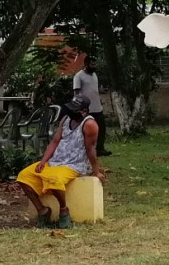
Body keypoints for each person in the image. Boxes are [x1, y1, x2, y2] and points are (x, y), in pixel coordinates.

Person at [17, 95, 104, 229]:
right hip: (55, 161)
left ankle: (63, 210)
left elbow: (90, 149)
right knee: (24, 176)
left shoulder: (89, 124)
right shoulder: (65, 119)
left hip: (73, 164)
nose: (71, 112)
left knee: (54, 179)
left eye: (75, 110)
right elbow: (55, 141)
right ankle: (42, 210)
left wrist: (96, 171)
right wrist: (43, 161)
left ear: (84, 111)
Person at [73, 55, 111, 156]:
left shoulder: (94, 75)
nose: (94, 66)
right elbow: (76, 93)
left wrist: (101, 91)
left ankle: (100, 149)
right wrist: (80, 106)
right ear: (86, 64)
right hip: (87, 109)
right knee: (86, 131)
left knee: (101, 128)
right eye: (92, 64)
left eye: (94, 64)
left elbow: (93, 88)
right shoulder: (79, 76)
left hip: (97, 107)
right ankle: (84, 150)